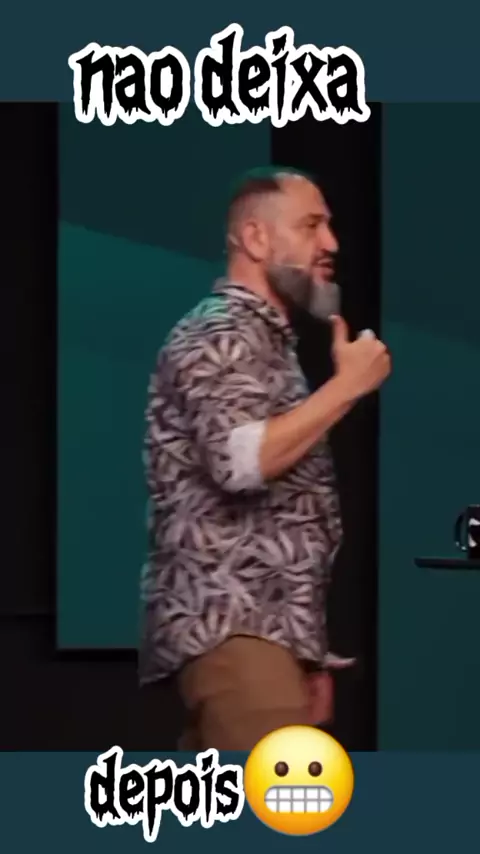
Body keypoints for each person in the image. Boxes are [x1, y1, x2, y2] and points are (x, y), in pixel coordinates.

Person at [139, 167, 391, 750]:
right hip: (235, 631)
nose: (331, 243)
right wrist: (347, 387)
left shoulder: (267, 343)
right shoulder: (218, 332)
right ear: (255, 239)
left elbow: (284, 522)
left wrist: (307, 653)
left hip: (267, 641)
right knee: (273, 801)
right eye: (311, 225)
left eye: (329, 226)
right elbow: (240, 463)